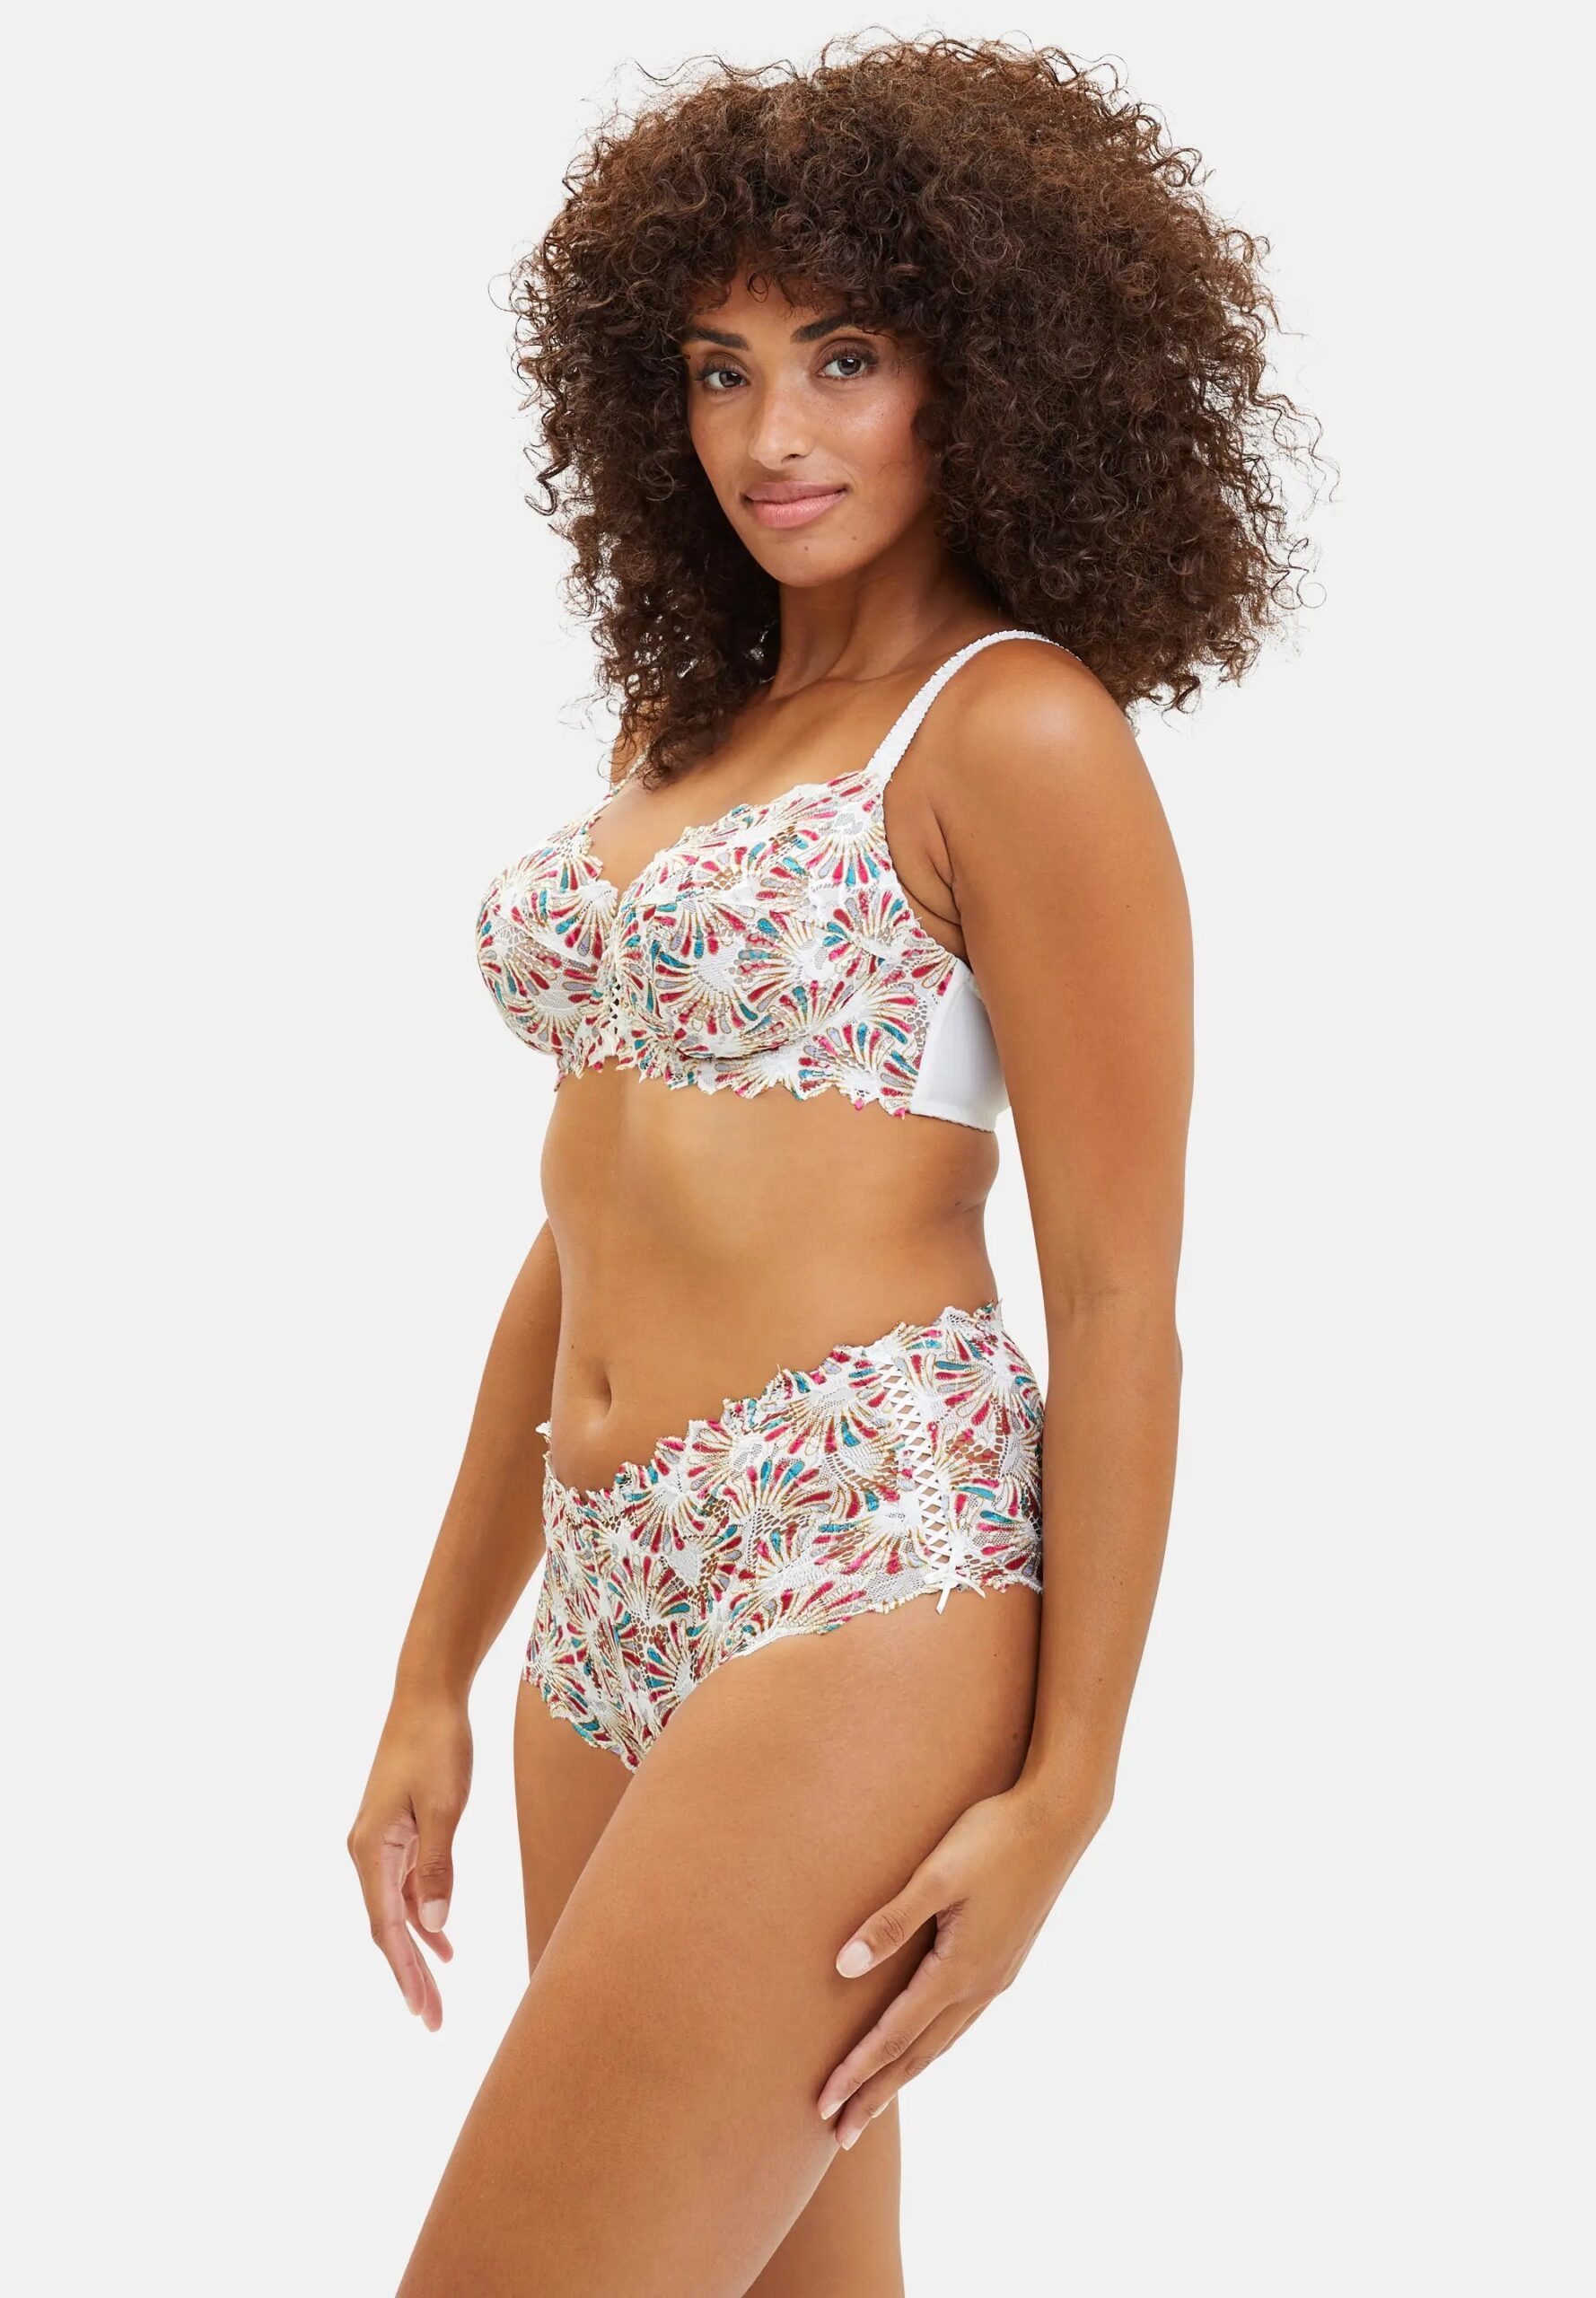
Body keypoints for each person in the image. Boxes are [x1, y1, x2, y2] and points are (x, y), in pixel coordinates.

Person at [348, 33, 1319, 2296]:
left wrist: (1067, 1789)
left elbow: (1119, 1298)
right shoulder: (682, 734)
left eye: (843, 358)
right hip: (605, 1594)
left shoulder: (1016, 732)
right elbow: (577, 1232)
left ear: (987, 369)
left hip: (857, 1563)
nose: (770, 434)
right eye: (719, 369)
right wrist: (430, 1666)